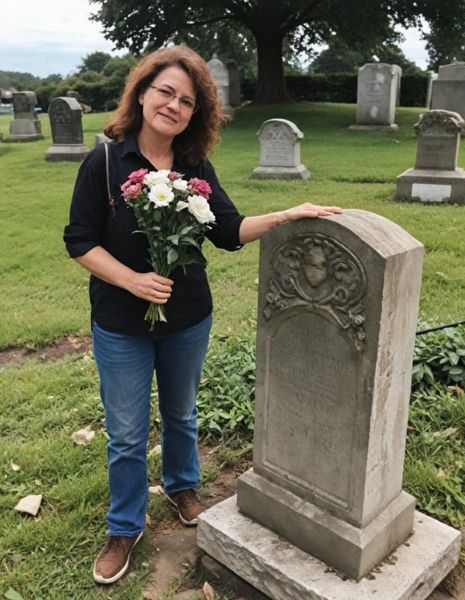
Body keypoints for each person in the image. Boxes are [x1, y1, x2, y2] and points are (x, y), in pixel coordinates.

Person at [63, 44, 342, 585]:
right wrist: (132, 279)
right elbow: (78, 240)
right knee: (125, 432)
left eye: (187, 101)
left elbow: (228, 230)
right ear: (142, 93)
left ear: (196, 113)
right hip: (121, 322)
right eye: (165, 92)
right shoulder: (104, 161)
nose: (173, 105)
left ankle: (182, 486)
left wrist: (290, 213)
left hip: (189, 317)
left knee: (184, 413)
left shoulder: (194, 167)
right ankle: (124, 526)